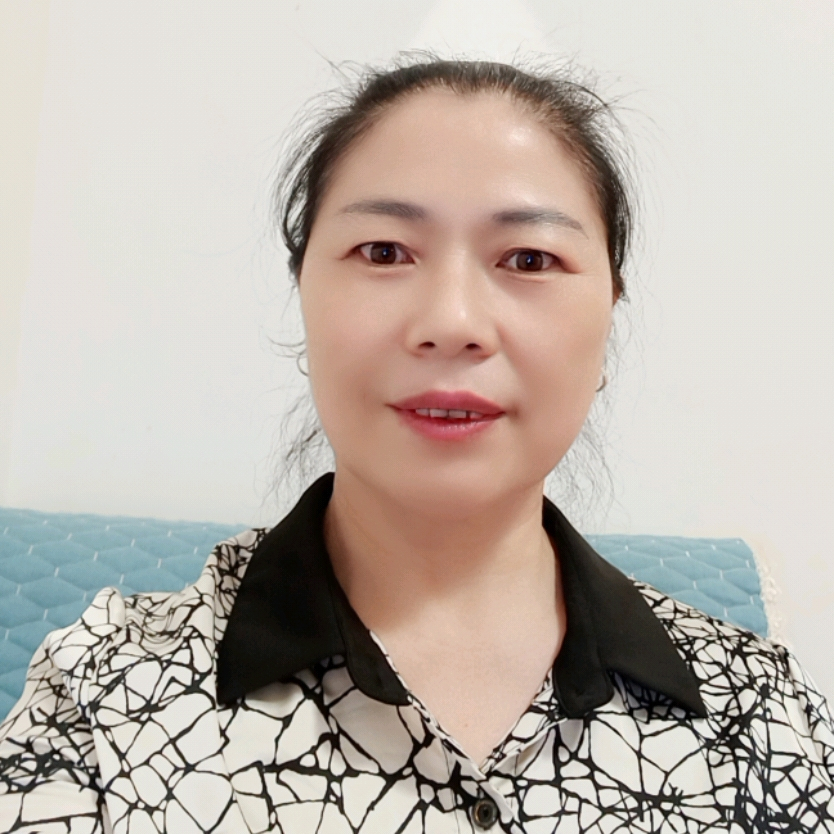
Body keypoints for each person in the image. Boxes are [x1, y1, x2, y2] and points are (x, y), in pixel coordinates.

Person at [1, 55, 833, 834]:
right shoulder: (105, 695)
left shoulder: (765, 718)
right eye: (384, 251)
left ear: (610, 313)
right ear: (303, 292)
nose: (452, 322)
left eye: (529, 258)